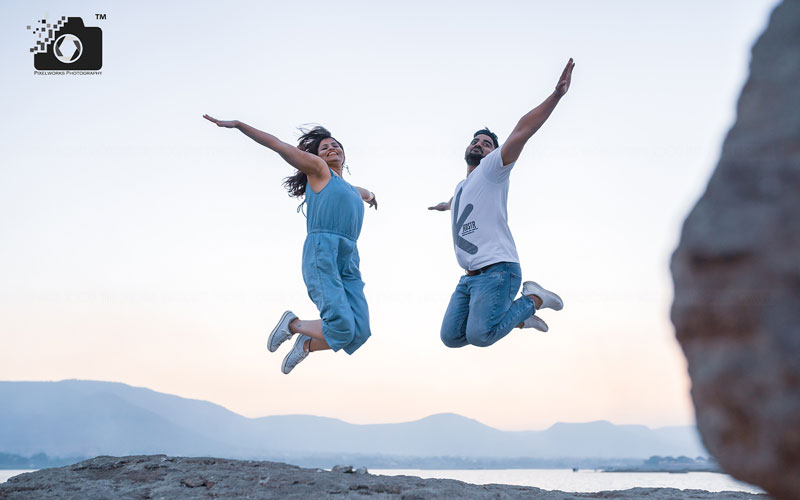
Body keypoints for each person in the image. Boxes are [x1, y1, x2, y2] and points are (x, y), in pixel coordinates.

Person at [203, 116, 376, 373]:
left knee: (359, 332)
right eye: (324, 147)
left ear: (344, 154)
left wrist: (371, 196)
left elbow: (362, 192)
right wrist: (239, 126)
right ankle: (292, 324)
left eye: (336, 145)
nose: (331, 149)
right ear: (316, 155)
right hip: (323, 251)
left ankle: (306, 344)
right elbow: (277, 144)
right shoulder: (318, 170)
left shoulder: (350, 189)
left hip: (349, 257)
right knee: (341, 325)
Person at [428, 58, 574, 348]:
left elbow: (522, 130)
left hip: (498, 270)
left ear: (494, 153)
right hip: (469, 277)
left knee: (480, 336)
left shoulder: (493, 169)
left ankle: (533, 299)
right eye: (475, 141)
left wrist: (556, 95)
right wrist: (445, 206)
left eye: (486, 143)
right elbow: (457, 200)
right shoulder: (462, 187)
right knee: (451, 337)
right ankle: (515, 319)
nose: (479, 145)